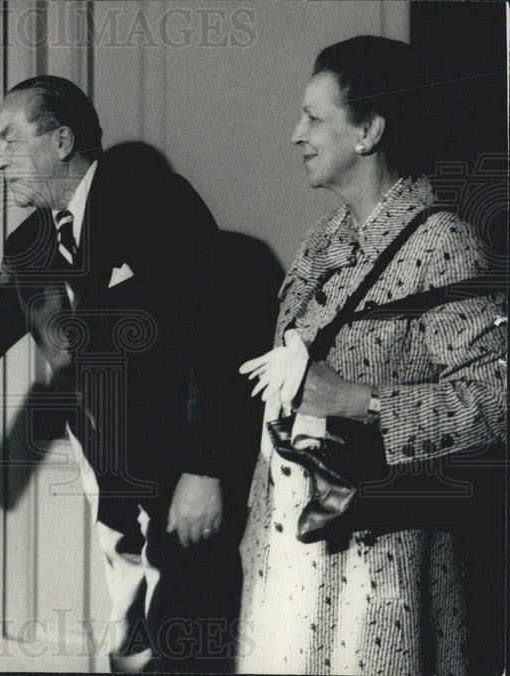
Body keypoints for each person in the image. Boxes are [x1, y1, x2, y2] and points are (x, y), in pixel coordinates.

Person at [0, 76, 240, 672]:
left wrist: (203, 466)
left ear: (61, 141)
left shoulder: (154, 200)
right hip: (112, 476)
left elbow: (212, 333)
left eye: (9, 138)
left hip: (183, 470)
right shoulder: (29, 243)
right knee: (134, 640)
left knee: (189, 634)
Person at [236, 36, 507, 674]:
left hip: (381, 561)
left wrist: (360, 401)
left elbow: (496, 398)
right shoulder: (323, 239)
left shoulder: (442, 242)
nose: (294, 133)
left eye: (314, 117)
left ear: (369, 131)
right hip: (292, 547)